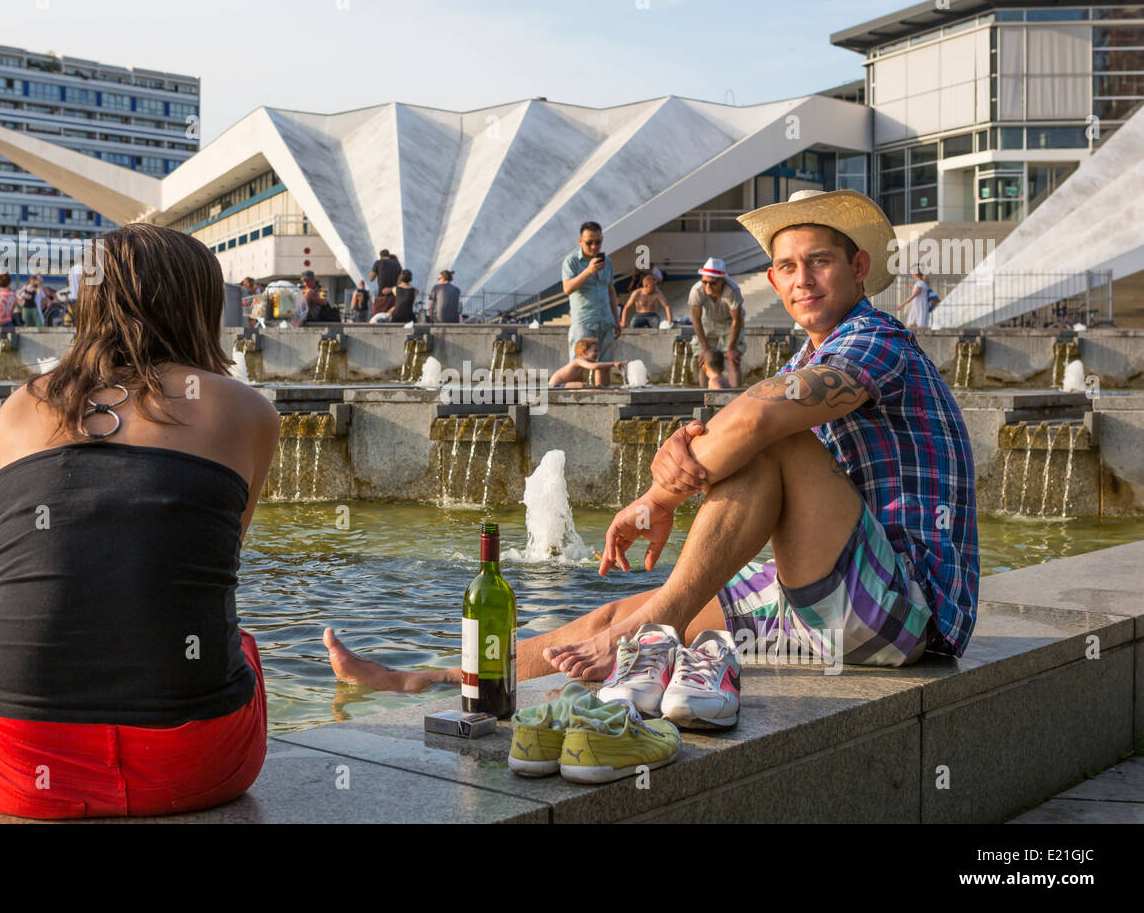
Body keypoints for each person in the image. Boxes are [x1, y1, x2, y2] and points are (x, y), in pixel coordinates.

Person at [322, 189, 978, 693]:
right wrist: (672, 469)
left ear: (859, 267)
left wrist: (658, 500)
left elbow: (757, 422)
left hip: (906, 609)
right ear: (773, 281)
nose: (803, 278)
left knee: (771, 437)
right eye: (787, 266)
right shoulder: (806, 359)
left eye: (821, 262)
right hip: (826, 597)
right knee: (611, 619)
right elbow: (745, 419)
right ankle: (439, 680)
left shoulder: (879, 340)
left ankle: (653, 631)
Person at [0, 223, 279, 819]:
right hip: (195, 765)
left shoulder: (15, 411)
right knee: (240, 642)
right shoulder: (246, 410)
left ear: (89, 299)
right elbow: (205, 564)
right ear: (200, 306)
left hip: (19, 766)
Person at [561, 221, 622, 368]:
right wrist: (588, 271)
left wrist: (616, 320)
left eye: (598, 242)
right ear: (580, 241)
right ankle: (577, 392)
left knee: (605, 366)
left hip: (606, 321)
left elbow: (611, 291)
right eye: (589, 243)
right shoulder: (571, 262)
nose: (594, 247)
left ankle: (602, 391)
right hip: (584, 323)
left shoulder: (607, 261)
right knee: (578, 366)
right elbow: (567, 288)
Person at [689, 256, 745, 387]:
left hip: (730, 322)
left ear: (722, 281)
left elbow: (737, 321)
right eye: (704, 282)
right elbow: (696, 320)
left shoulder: (733, 290)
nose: (708, 286)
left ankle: (735, 398)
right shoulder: (696, 291)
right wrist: (704, 348)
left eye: (713, 283)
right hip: (708, 321)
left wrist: (731, 348)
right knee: (704, 359)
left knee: (733, 359)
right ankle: (703, 397)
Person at [548, 337, 628, 388]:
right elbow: (594, 366)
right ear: (584, 352)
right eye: (595, 351)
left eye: (598, 351)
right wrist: (613, 364)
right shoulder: (578, 361)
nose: (597, 354)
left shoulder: (584, 363)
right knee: (582, 386)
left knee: (587, 385)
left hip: (564, 385)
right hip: (554, 386)